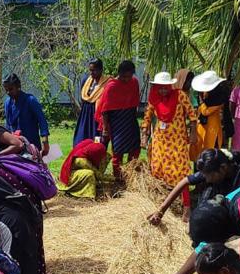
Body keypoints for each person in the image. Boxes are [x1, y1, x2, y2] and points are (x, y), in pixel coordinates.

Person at [147, 148, 240, 225]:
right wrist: (160, 211)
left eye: (208, 176)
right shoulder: (216, 167)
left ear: (222, 169)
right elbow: (184, 182)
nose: (205, 179)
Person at [141, 71, 198, 211]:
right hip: (160, 142)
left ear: (170, 86)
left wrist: (193, 133)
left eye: (165, 87)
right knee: (159, 170)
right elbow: (147, 118)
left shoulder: (180, 96)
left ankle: (186, 208)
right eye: (159, 87)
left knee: (181, 172)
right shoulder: (154, 98)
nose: (162, 90)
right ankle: (163, 205)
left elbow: (192, 115)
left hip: (177, 141)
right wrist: (144, 135)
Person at [97, 60, 142, 180]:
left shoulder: (134, 82)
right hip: (116, 121)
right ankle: (118, 177)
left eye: (129, 76)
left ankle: (131, 174)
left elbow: (135, 102)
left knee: (135, 146)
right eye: (124, 76)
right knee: (118, 149)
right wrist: (106, 128)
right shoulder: (111, 86)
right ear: (119, 74)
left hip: (130, 118)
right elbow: (105, 110)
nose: (127, 79)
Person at [3, 73, 50, 157]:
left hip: (31, 144)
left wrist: (45, 142)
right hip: (15, 145)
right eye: (6, 90)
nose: (8, 92)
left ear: (18, 86)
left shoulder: (30, 100)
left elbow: (42, 120)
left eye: (11, 89)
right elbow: (8, 124)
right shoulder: (7, 103)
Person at [192, 71, 232, 153]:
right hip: (205, 129)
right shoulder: (208, 95)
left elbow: (205, 111)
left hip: (214, 131)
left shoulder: (219, 97)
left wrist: (202, 102)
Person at [72, 58, 109, 146]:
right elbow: (83, 98)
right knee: (80, 139)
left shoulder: (107, 83)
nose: (91, 73)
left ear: (101, 70)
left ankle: (95, 156)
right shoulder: (86, 80)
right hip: (85, 114)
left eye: (94, 70)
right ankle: (81, 155)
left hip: (97, 116)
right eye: (90, 70)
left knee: (96, 139)